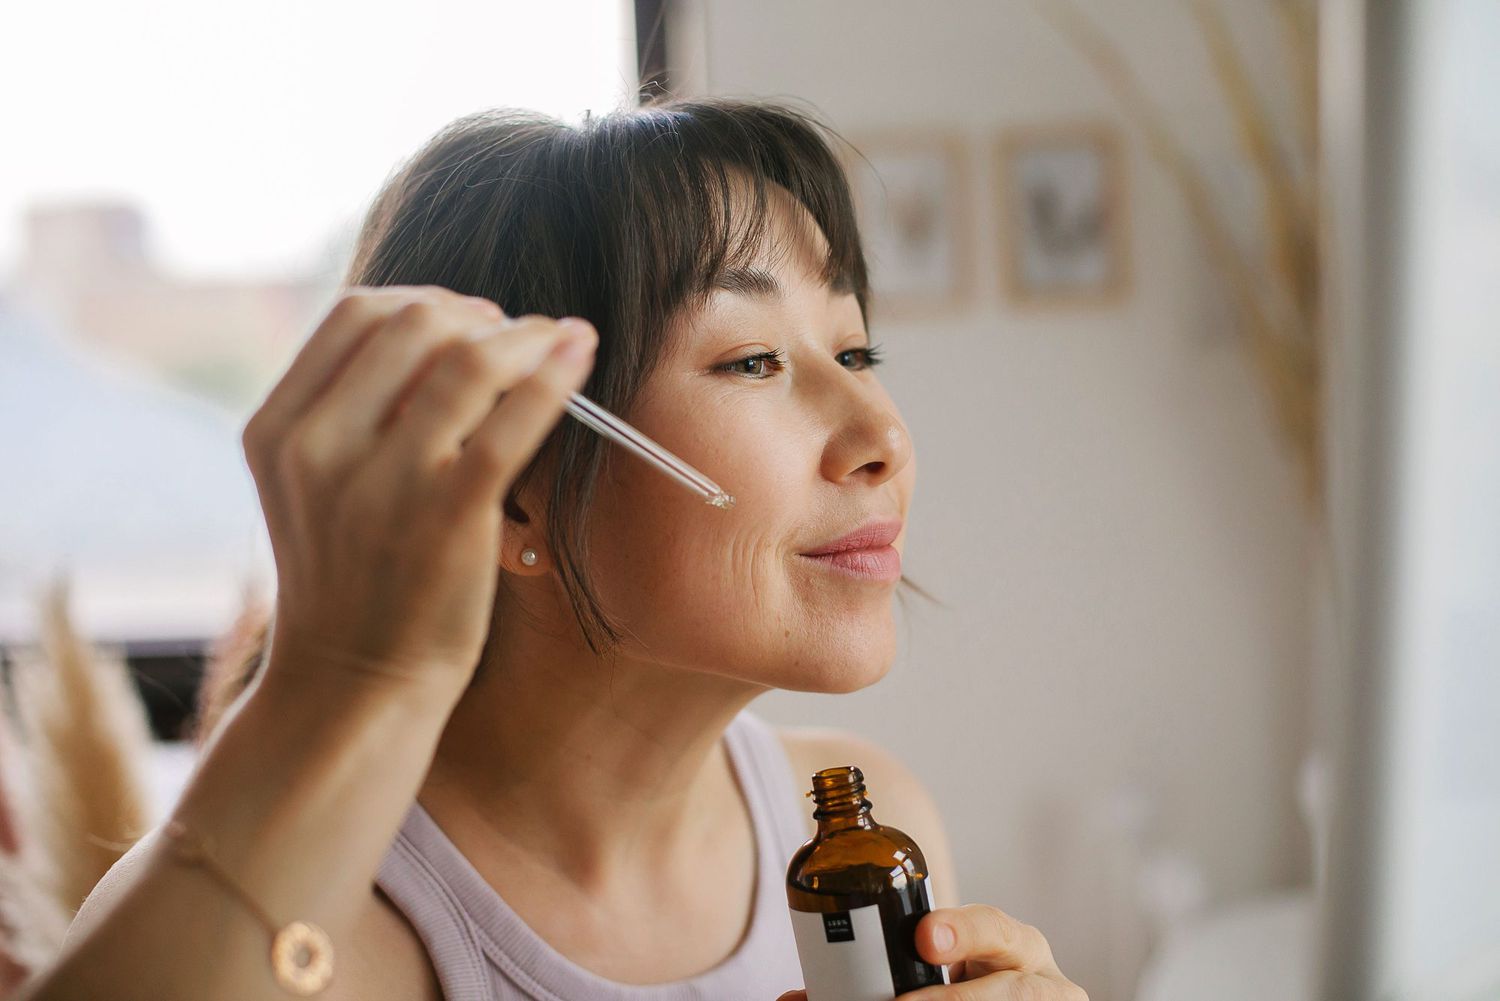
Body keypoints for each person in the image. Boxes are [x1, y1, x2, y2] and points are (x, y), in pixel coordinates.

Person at [21, 98, 1086, 1001]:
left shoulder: (872, 825)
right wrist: (334, 676)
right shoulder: (329, 936)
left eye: (856, 348)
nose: (882, 437)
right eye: (755, 358)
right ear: (513, 489)